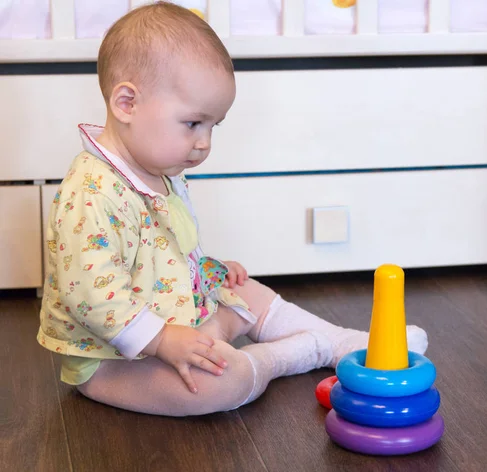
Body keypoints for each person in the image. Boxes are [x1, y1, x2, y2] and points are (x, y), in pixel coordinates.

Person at [37, 2, 428, 416]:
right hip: (113, 359)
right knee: (217, 385)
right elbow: (93, 297)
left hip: (174, 317)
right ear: (127, 104)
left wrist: (202, 268)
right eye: (193, 124)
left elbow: (159, 251)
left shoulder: (159, 167)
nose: (204, 142)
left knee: (244, 288)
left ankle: (346, 343)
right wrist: (163, 341)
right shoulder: (92, 194)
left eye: (212, 127)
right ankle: (290, 355)